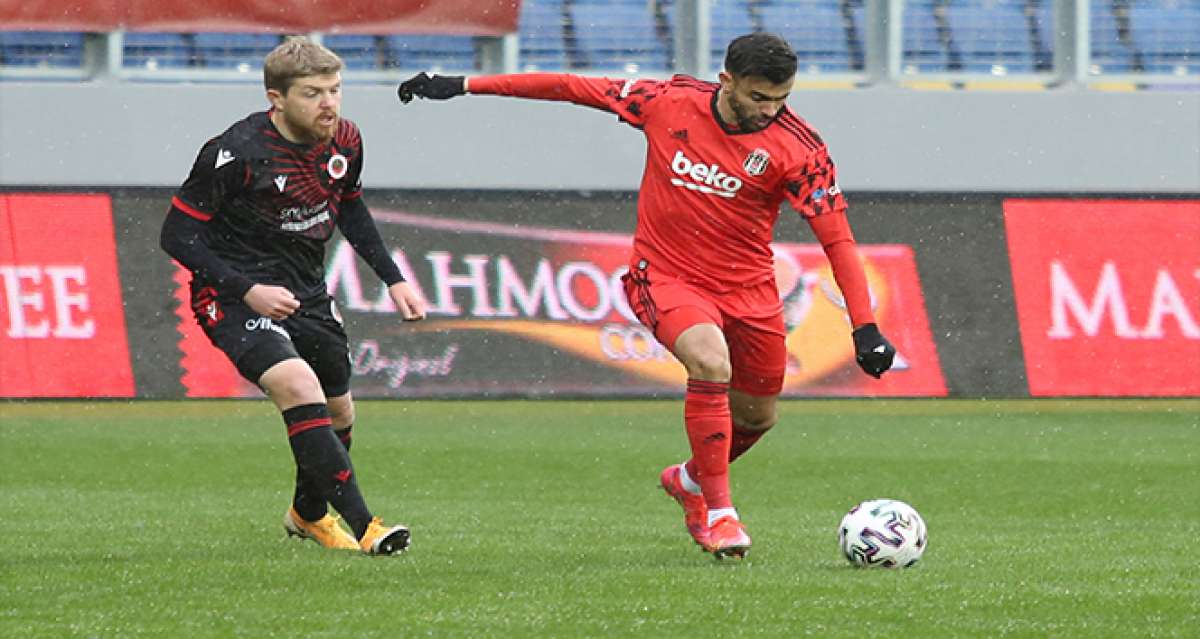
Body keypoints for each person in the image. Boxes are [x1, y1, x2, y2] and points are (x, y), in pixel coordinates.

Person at [397, 33, 896, 559]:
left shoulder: (800, 148)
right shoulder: (666, 101)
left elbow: (836, 238)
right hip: (665, 276)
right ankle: (722, 515)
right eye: (757, 99)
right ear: (725, 81)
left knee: (756, 419)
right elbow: (569, 86)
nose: (769, 111)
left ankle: (689, 481)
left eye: (780, 100)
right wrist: (463, 84)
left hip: (750, 290)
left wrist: (864, 326)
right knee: (709, 360)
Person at [161, 36, 426, 555]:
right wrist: (246, 289)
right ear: (276, 99)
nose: (328, 103)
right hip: (233, 295)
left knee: (340, 411)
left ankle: (307, 514)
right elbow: (177, 235)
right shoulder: (235, 154)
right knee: (297, 385)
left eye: (335, 89)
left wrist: (392, 278)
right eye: (312, 93)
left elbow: (350, 208)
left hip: (306, 291)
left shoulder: (345, 140)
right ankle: (367, 526)